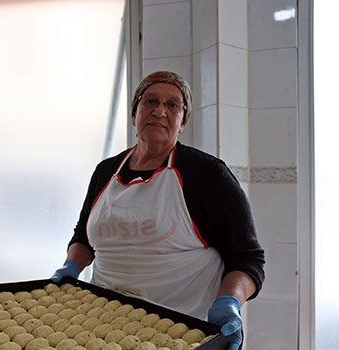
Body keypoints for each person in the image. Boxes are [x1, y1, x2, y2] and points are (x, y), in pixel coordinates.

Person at [51, 71, 265, 350]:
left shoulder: (208, 175)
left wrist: (230, 301)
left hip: (179, 332)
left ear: (183, 121)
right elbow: (84, 237)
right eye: (150, 101)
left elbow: (248, 258)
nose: (160, 111)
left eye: (173, 105)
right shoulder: (106, 172)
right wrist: (72, 266)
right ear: (134, 114)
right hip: (100, 324)